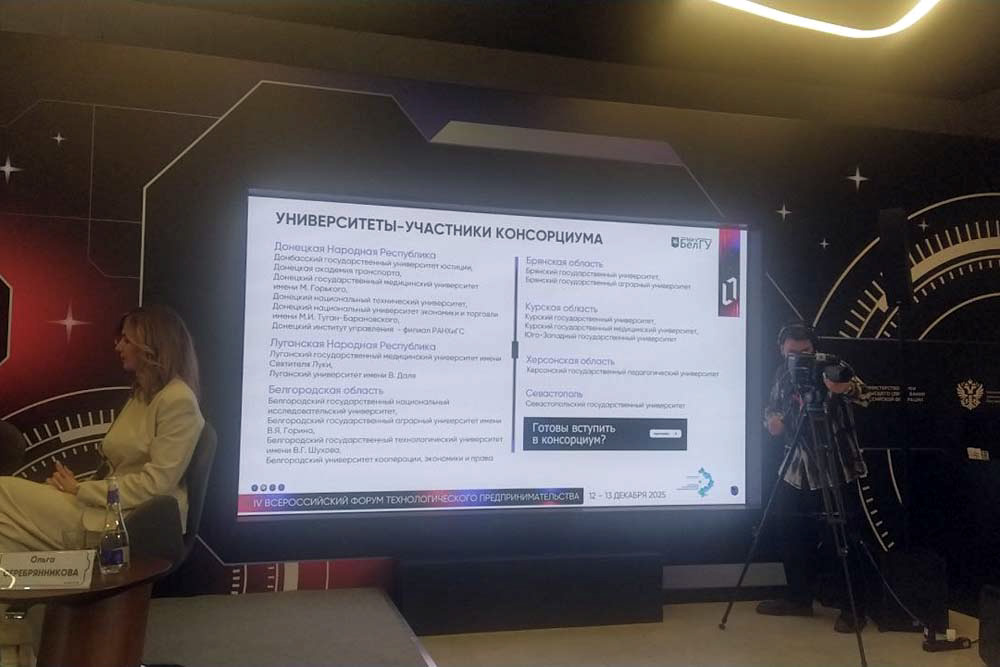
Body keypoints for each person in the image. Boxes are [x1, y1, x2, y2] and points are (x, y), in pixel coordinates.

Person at [0, 304, 205, 553]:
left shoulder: (178, 400)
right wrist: (77, 486)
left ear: (150, 345)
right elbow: (120, 469)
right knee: (7, 531)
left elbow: (156, 485)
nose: (118, 347)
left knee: (3, 493)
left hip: (127, 520)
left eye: (126, 340)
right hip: (103, 507)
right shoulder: (143, 394)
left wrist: (80, 490)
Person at [755, 322, 871, 633]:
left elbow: (865, 394)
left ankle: (854, 608)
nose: (799, 358)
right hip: (795, 468)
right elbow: (771, 408)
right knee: (790, 532)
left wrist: (844, 388)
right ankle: (798, 597)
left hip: (834, 467)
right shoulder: (781, 374)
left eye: (805, 351)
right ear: (782, 350)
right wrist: (772, 421)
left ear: (814, 347)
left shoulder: (831, 365)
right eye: (793, 352)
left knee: (842, 538)